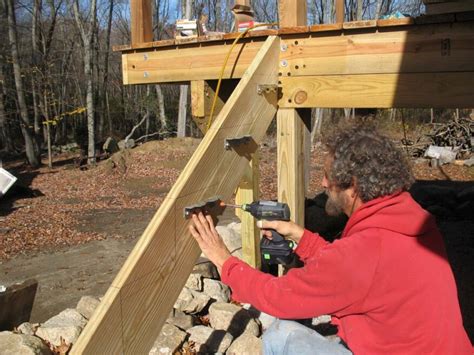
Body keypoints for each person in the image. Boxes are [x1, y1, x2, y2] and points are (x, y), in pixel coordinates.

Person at [189, 123, 472, 354]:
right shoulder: (413, 220)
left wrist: (224, 260)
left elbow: (277, 297)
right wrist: (304, 239)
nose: (323, 183)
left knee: (280, 335)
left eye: (327, 176)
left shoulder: (362, 254)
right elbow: (362, 274)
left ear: (354, 187)